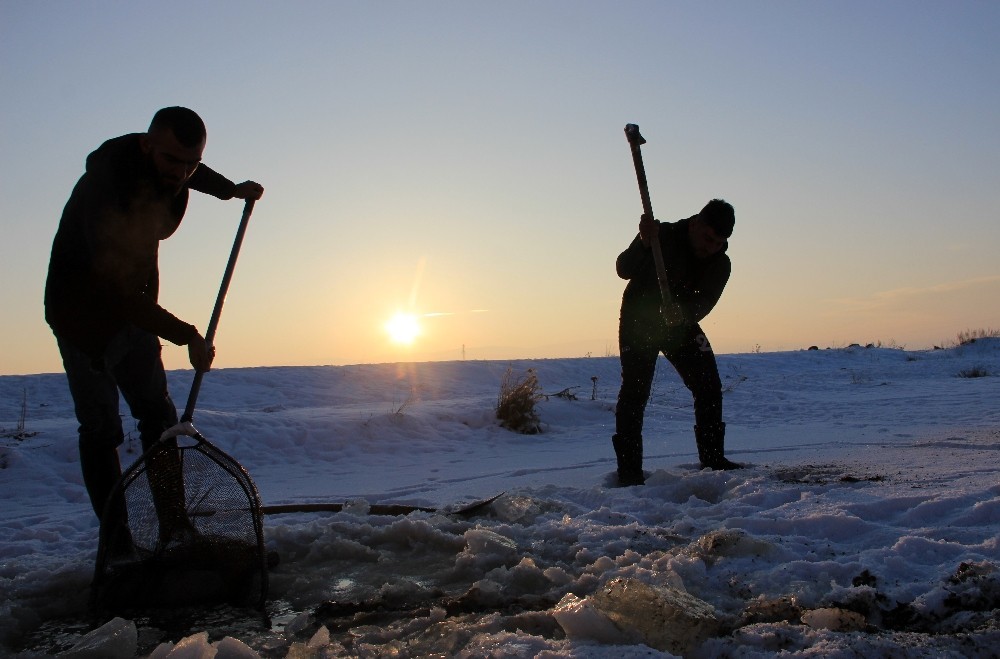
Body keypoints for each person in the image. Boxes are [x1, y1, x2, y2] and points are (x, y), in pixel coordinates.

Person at [44, 107, 264, 540]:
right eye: (172, 161)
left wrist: (229, 190)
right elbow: (116, 293)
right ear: (147, 147)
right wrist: (186, 334)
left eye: (192, 162)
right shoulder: (107, 193)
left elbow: (186, 172)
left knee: (159, 419)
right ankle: (119, 542)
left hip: (136, 313)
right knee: (102, 429)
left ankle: (175, 528)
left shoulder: (169, 166)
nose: (182, 174)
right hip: (84, 321)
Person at [612, 199, 740, 486]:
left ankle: (713, 459)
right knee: (635, 391)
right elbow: (623, 268)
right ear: (695, 223)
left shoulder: (721, 264)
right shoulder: (660, 234)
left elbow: (705, 302)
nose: (711, 247)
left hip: (679, 326)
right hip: (638, 320)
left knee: (708, 385)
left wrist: (683, 313)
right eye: (708, 238)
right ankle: (629, 472)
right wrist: (643, 244)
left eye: (718, 243)